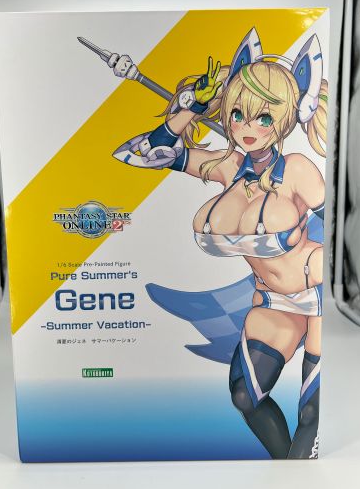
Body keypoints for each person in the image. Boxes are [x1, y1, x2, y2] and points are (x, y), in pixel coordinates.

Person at [115, 28, 327, 459]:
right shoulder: (227, 167)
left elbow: (343, 224)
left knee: (311, 416)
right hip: (274, 303)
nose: (248, 128)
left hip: (319, 297)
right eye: (238, 114)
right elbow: (137, 155)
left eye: (264, 118)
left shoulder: (298, 169)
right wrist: (188, 108)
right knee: (245, 398)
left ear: (286, 119)